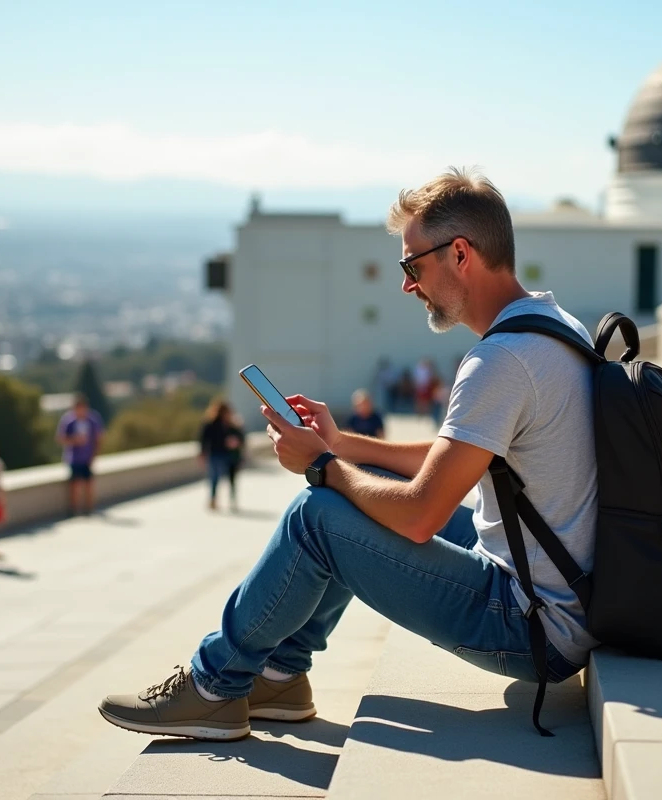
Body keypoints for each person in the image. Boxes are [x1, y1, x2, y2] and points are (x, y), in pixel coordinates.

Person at [98, 167, 596, 742]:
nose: (408, 286)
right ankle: (280, 674)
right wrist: (342, 446)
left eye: (412, 266)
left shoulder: (500, 362)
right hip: (558, 589)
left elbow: (420, 515)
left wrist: (322, 467)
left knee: (317, 515)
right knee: (363, 481)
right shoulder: (554, 327)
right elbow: (454, 454)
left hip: (530, 623)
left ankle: (214, 685)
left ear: (460, 254)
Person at [57, 394, 104, 515]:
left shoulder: (92, 420)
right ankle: (74, 509)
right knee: (75, 484)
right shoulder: (68, 420)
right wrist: (74, 440)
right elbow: (60, 438)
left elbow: (98, 438)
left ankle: (89, 508)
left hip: (87, 457)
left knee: (89, 483)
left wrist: (94, 455)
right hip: (74, 458)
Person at [198, 399, 244, 511]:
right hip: (216, 454)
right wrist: (203, 453)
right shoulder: (211, 424)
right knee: (214, 478)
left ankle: (232, 501)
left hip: (230, 456)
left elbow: (241, 439)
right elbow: (203, 440)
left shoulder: (232, 425)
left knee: (231, 479)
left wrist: (235, 443)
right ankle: (213, 500)